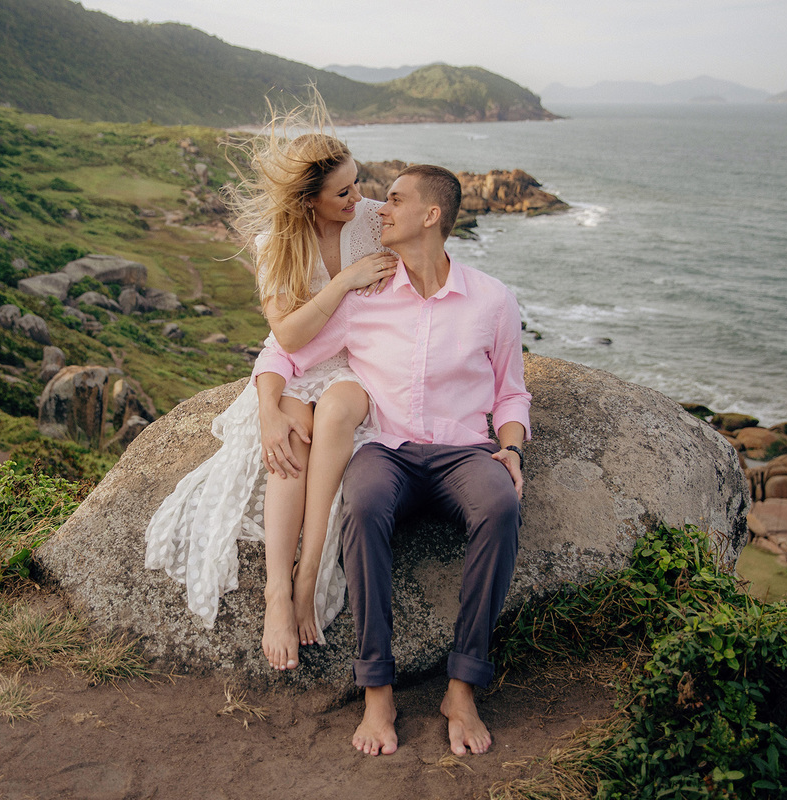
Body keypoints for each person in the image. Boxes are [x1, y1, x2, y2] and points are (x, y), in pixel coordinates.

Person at [253, 164, 530, 757]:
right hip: (389, 451)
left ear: (431, 216)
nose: (380, 209)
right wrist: (269, 407)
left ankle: (463, 686)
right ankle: (377, 689)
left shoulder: (493, 300)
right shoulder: (366, 298)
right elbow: (284, 350)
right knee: (364, 503)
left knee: (501, 504)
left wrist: (509, 447)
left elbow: (512, 392)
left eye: (396, 200)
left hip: (463, 453)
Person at [144, 105, 398, 673]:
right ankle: (277, 592)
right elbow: (286, 335)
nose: (358, 200)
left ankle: (308, 575)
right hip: (299, 364)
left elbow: (430, 243)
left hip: (363, 367)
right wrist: (348, 283)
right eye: (343, 194)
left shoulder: (374, 220)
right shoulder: (276, 246)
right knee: (291, 439)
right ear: (309, 200)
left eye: (358, 184)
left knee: (335, 410)